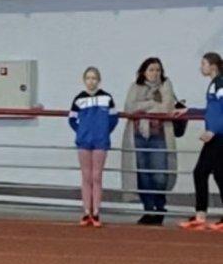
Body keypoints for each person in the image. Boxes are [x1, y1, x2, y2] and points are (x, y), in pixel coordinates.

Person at [120, 57, 178, 225]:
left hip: (159, 136)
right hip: (138, 136)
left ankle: (159, 208)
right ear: (144, 72)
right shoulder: (135, 87)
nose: (155, 73)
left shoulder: (166, 85)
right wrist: (152, 104)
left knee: (160, 175)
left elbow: (166, 108)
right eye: (151, 69)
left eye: (158, 70)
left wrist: (144, 106)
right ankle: (148, 209)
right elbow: (129, 107)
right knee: (143, 175)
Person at [177, 52, 223, 231]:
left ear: (213, 66)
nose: (201, 67)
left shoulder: (219, 84)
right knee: (216, 174)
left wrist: (213, 130)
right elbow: (211, 111)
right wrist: (189, 111)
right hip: (216, 136)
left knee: (201, 172)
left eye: (203, 64)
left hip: (218, 137)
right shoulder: (214, 84)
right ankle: (200, 215)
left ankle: (200, 215)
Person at [69, 66, 119, 227]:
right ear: (84, 80)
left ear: (99, 80)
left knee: (97, 176)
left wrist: (104, 131)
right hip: (84, 141)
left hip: (100, 141)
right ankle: (86, 211)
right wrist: (81, 132)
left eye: (94, 78)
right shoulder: (79, 99)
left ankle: (96, 211)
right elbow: (72, 119)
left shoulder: (107, 98)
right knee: (86, 177)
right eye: (88, 78)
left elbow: (114, 118)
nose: (91, 81)